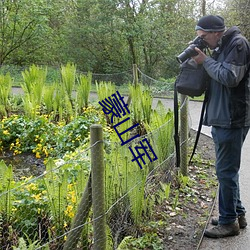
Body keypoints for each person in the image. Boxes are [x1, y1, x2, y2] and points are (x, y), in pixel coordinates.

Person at [192, 15, 250, 238]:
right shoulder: (221, 46)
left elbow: (229, 77)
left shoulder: (238, 44)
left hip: (232, 118)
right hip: (222, 117)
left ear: (216, 32)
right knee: (227, 171)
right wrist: (202, 60)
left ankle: (228, 223)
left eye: (204, 37)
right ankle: (237, 214)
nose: (203, 41)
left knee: (225, 171)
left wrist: (205, 61)